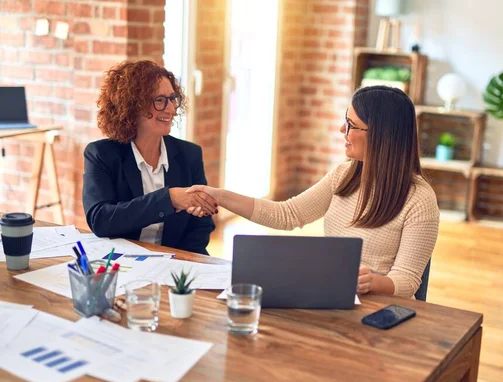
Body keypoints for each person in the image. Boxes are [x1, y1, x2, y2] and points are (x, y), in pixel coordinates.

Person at [186, 86, 440, 297]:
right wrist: (219, 195)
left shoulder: (419, 199)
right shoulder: (345, 175)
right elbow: (287, 214)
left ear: (382, 136)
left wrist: (372, 282)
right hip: (333, 293)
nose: (343, 131)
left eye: (351, 124)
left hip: (376, 308)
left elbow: (406, 282)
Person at [82, 60, 217, 255]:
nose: (170, 109)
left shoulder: (190, 154)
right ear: (132, 106)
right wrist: (168, 199)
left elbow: (201, 226)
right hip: (122, 262)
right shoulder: (101, 154)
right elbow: (100, 220)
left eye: (172, 98)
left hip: (176, 264)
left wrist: (182, 263)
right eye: (160, 100)